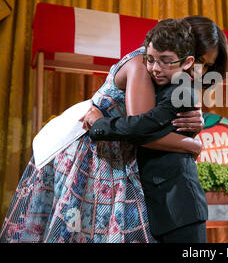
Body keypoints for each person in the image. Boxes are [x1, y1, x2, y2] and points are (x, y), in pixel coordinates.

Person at [0, 19, 207, 243]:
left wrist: (196, 120)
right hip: (89, 153)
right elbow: (141, 132)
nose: (155, 67)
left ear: (186, 61)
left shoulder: (174, 79)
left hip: (111, 153)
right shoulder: (140, 66)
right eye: (152, 59)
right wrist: (193, 145)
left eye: (164, 61)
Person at [83, 16, 228, 243]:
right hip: (155, 197)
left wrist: (100, 122)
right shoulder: (147, 68)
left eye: (208, 66)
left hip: (176, 205)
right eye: (201, 61)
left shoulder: (177, 85)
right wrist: (193, 144)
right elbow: (141, 130)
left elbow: (145, 127)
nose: (202, 72)